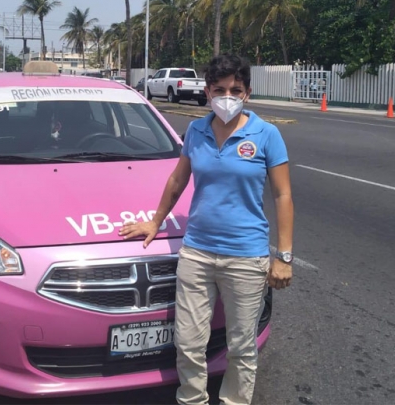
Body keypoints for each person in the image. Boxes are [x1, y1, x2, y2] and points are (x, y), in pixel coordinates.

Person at [119, 54, 294, 405]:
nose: (227, 96)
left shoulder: (266, 134)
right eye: (219, 89)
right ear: (207, 91)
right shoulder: (197, 130)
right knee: (188, 342)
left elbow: (282, 194)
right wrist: (155, 220)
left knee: (242, 347)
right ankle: (193, 399)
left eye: (235, 89)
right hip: (197, 254)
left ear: (247, 93)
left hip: (246, 257)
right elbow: (178, 179)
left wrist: (284, 256)